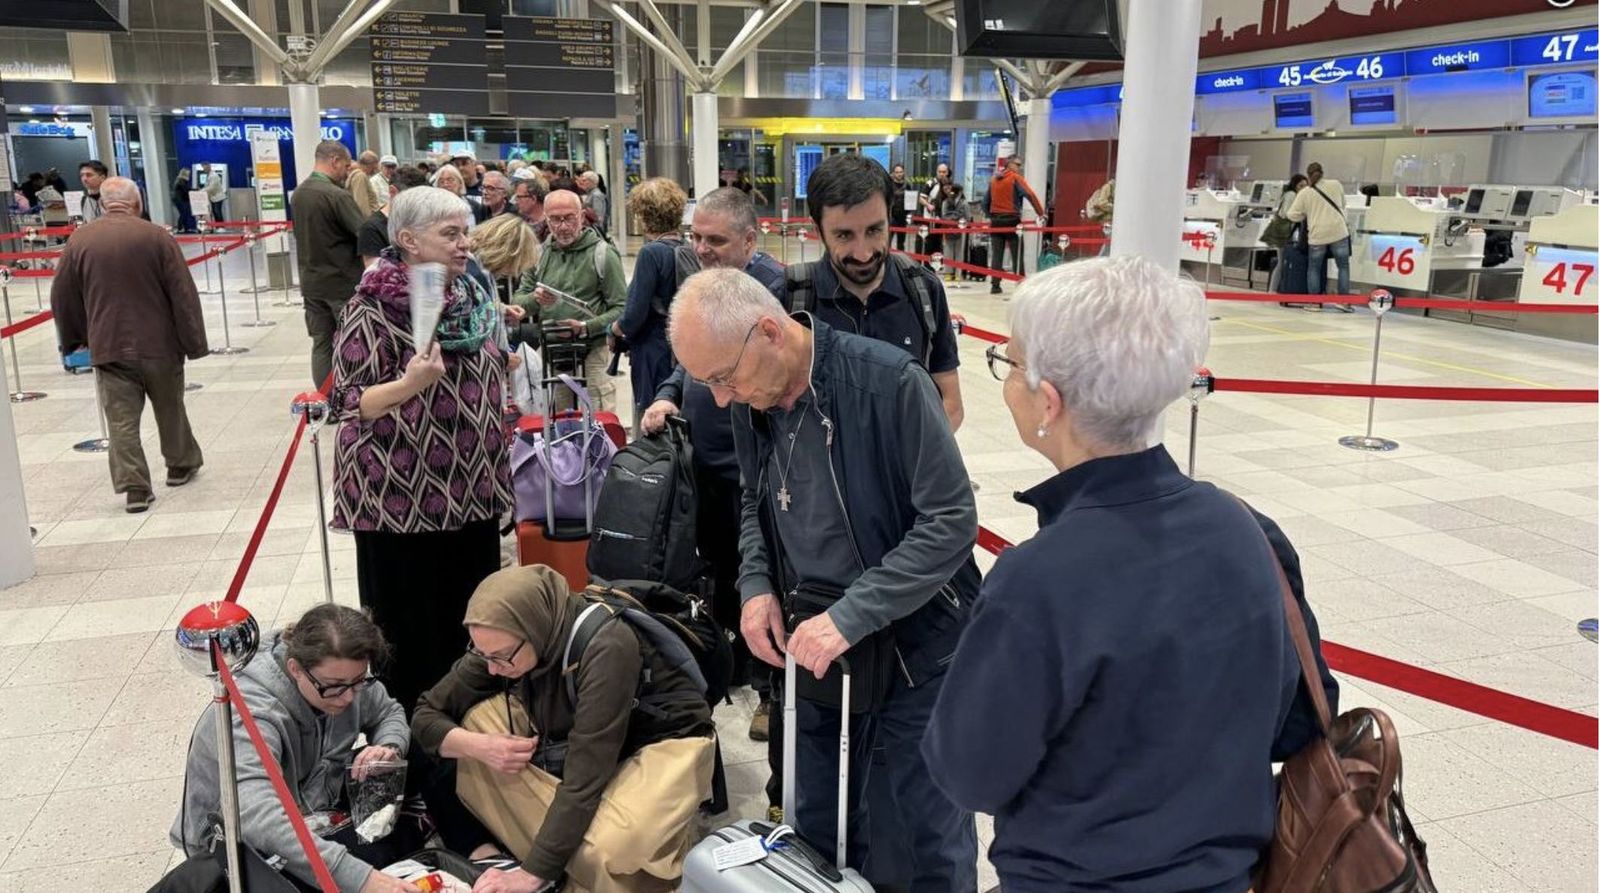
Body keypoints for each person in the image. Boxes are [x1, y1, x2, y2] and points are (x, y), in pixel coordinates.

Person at [923, 256, 1339, 893]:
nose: (1004, 378)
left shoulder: (1038, 579)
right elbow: (1302, 722)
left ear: (1049, 401)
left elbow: (970, 774)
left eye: (1009, 362)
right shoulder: (1250, 530)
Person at [667, 268, 981, 891]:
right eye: (709, 385)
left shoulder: (889, 383)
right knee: (818, 829)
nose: (723, 399)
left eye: (724, 378)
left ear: (769, 332)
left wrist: (851, 614)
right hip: (815, 646)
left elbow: (950, 521)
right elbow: (754, 498)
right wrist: (756, 584)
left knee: (920, 838)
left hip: (914, 651)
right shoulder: (753, 401)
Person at [413, 565, 716, 893]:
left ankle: (554, 851)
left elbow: (584, 779)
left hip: (663, 741)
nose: (491, 669)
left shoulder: (607, 645)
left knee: (610, 851)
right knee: (464, 729)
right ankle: (550, 847)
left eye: (500, 657)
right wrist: (481, 747)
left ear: (533, 630)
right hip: (576, 737)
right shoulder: (502, 642)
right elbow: (425, 714)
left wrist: (532, 874)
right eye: (481, 653)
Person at [328, 185, 516, 712]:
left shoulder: (471, 298)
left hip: (472, 491)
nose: (464, 244)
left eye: (465, 232)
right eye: (450, 234)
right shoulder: (372, 307)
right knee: (411, 631)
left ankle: (472, 722)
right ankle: (410, 733)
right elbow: (347, 402)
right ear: (408, 240)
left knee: (472, 620)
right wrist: (410, 384)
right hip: (401, 500)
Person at [640, 185, 785, 749]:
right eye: (696, 237)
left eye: (716, 240)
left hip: (757, 468)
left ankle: (771, 688)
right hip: (702, 461)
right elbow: (687, 356)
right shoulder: (700, 284)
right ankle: (733, 661)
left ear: (750, 240)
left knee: (765, 573)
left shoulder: (772, 291)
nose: (701, 248)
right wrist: (667, 394)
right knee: (719, 567)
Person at [170, 604, 424, 893]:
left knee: (419, 755)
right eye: (335, 687)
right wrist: (361, 879)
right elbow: (259, 818)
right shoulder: (253, 714)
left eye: (358, 683)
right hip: (239, 846)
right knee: (374, 862)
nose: (348, 698)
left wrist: (388, 747)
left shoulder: (343, 678)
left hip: (312, 808)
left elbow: (388, 712)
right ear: (295, 669)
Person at [50, 176, 207, 514]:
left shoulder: (80, 240)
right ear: (137, 203)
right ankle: (180, 465)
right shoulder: (157, 237)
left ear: (102, 204)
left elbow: (62, 297)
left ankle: (135, 488)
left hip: (109, 344)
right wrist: (193, 342)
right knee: (170, 406)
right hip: (160, 343)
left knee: (120, 421)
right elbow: (182, 294)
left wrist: (76, 340)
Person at [788, 153, 965, 431]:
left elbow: (950, 404)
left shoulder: (924, 290)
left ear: (889, 218)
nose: (863, 253)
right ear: (817, 230)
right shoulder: (790, 299)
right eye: (844, 235)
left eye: (874, 230)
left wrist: (911, 454)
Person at [510, 189, 625, 414]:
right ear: (546, 219)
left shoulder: (603, 254)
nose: (563, 226)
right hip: (552, 353)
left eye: (569, 218)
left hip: (593, 351)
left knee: (598, 420)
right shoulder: (539, 255)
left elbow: (621, 308)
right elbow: (518, 303)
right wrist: (535, 299)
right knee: (558, 422)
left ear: (581, 217)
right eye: (555, 219)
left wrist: (585, 327)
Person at [610, 177, 687, 425]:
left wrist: (613, 329)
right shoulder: (686, 248)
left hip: (652, 349)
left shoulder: (651, 253)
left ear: (644, 215)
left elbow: (633, 315)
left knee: (650, 416)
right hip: (680, 347)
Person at [292, 139, 366, 386]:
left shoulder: (299, 194)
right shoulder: (337, 195)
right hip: (342, 284)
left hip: (311, 283)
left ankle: (326, 400)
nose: (347, 173)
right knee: (353, 342)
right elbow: (363, 233)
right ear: (334, 161)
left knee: (321, 344)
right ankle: (352, 395)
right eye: (346, 166)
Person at [1286, 161, 1354, 312]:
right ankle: (1344, 302)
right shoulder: (1336, 184)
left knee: (1314, 269)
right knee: (1343, 267)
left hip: (1317, 234)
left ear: (1308, 175)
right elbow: (1343, 204)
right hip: (1338, 231)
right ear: (1322, 172)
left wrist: (1305, 215)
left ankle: (1314, 303)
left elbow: (1291, 215)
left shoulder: (1305, 192)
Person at [983, 156, 1045, 294]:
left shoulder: (994, 179)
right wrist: (1041, 213)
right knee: (1017, 253)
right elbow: (1030, 195)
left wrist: (990, 215)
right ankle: (1021, 284)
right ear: (1009, 164)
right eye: (1017, 164)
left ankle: (995, 285)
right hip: (1012, 221)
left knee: (997, 255)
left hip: (996, 222)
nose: (1019, 167)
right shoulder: (1015, 178)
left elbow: (985, 202)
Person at [359, 165, 431, 268]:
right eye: (412, 199)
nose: (419, 205)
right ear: (393, 192)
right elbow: (375, 272)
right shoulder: (371, 229)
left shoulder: (419, 220)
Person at [469, 210, 541, 307]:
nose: (514, 272)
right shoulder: (476, 275)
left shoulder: (478, 268)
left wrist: (502, 309)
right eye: (517, 265)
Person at [1268, 173, 1309, 296]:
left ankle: (1274, 290)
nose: (1303, 188)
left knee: (1282, 262)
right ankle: (1272, 290)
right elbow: (1288, 214)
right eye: (1301, 186)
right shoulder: (1291, 195)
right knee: (1281, 263)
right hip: (1282, 232)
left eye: (1305, 186)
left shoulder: (1290, 195)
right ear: (1295, 185)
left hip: (1281, 231)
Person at [511, 171, 550, 241]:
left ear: (533, 199)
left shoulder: (550, 224)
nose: (516, 201)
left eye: (519, 197)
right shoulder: (519, 220)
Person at [349, 150, 384, 217]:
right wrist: (368, 220)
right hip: (367, 218)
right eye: (373, 168)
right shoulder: (360, 176)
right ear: (368, 165)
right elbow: (361, 203)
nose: (373, 172)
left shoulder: (357, 175)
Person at [889, 163, 912, 251]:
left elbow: (910, 200)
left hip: (903, 216)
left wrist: (909, 214)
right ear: (893, 173)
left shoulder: (907, 185)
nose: (899, 174)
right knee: (888, 240)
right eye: (897, 172)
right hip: (891, 216)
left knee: (901, 242)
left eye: (901, 172)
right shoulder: (889, 184)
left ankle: (900, 258)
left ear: (904, 172)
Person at [172, 167, 197, 233]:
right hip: (180, 200)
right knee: (183, 214)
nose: (189, 174)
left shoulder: (180, 180)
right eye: (188, 172)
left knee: (184, 214)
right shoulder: (181, 180)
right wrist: (195, 190)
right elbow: (186, 190)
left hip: (181, 200)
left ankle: (186, 228)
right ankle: (180, 228)